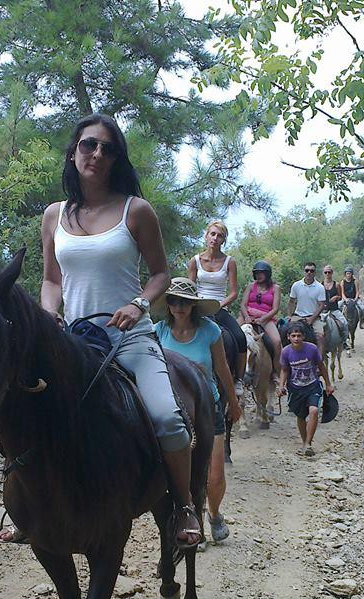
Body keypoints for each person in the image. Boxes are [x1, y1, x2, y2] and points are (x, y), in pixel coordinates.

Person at [37, 113, 200, 549]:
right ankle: (25, 505)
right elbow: (52, 280)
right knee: (26, 409)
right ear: (73, 152)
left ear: (116, 159)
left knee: (167, 416)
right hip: (74, 340)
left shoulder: (136, 210)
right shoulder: (53, 216)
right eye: (89, 145)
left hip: (130, 337)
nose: (97, 154)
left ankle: (182, 503)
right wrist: (48, 313)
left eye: (108, 148)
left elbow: (161, 275)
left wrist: (139, 304)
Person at [154, 278, 241, 545]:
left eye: (184, 302)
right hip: (169, 409)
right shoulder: (158, 331)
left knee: (213, 473)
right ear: (167, 304)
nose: (178, 307)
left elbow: (222, 368)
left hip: (207, 408)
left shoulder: (210, 331)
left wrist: (234, 402)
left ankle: (213, 514)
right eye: (173, 300)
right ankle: (189, 518)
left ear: (193, 305)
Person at [187, 220, 247, 397]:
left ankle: (239, 380)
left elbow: (234, 292)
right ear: (206, 236)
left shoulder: (229, 262)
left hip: (220, 306)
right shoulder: (195, 261)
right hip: (198, 306)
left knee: (239, 337)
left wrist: (218, 305)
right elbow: (190, 288)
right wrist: (196, 305)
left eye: (219, 235)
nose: (215, 238)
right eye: (212, 234)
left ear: (223, 240)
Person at [277, 322, 335, 457]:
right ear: (288, 337)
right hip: (296, 389)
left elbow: (321, 366)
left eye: (299, 336)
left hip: (312, 386)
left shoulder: (312, 349)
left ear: (304, 337)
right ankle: (304, 443)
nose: (296, 339)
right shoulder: (286, 352)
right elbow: (284, 370)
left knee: (314, 411)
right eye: (293, 336)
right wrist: (281, 386)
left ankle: (308, 444)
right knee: (301, 416)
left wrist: (328, 384)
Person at [238, 260, 282, 380]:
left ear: (268, 274)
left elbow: (275, 308)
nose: (259, 275)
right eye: (257, 273)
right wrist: (246, 316)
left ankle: (275, 370)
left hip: (266, 317)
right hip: (247, 315)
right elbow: (243, 304)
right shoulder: (251, 286)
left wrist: (263, 319)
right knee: (232, 334)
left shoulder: (275, 288)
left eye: (262, 273)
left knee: (277, 342)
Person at [286, 261, 326, 355]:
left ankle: (319, 362)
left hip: (314, 317)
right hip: (298, 315)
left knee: (320, 336)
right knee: (284, 332)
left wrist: (312, 318)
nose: (309, 272)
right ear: (304, 271)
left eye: (311, 271)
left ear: (314, 273)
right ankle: (284, 359)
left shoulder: (320, 287)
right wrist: (289, 316)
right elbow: (291, 301)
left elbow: (321, 305)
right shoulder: (296, 285)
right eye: (307, 270)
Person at [322, 265, 349, 340]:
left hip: (334, 310)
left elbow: (340, 297)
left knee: (344, 323)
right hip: (322, 310)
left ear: (332, 273)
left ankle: (344, 340)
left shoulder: (336, 285)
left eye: (329, 272)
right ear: (324, 273)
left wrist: (336, 297)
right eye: (325, 272)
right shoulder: (320, 285)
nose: (327, 274)